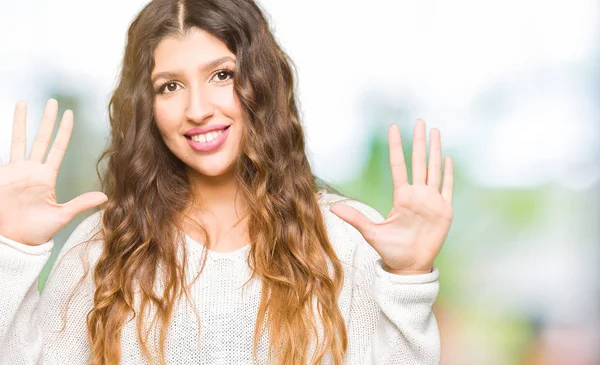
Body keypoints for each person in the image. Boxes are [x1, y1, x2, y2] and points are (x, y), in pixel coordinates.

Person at [0, 0, 454, 364]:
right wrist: (12, 251)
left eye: (222, 75)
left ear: (261, 82)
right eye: (169, 86)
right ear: (147, 108)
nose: (198, 109)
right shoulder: (102, 249)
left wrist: (409, 280)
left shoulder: (344, 240)